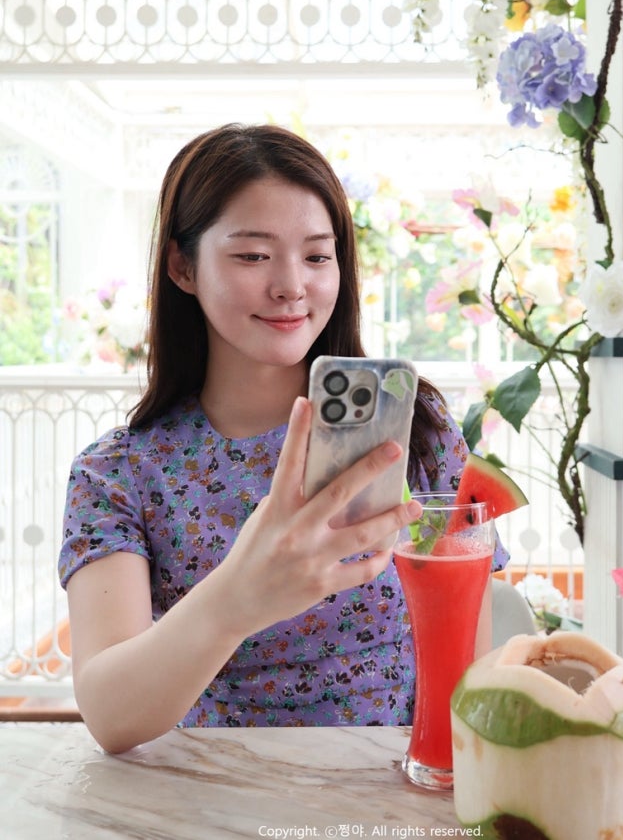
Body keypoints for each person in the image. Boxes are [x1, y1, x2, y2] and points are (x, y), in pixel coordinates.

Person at [58, 123, 509, 753]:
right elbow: (110, 714)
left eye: (317, 256)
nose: (292, 285)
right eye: (253, 256)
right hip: (212, 795)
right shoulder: (117, 474)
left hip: (392, 789)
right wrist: (237, 598)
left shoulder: (417, 429)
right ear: (183, 267)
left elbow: (470, 661)